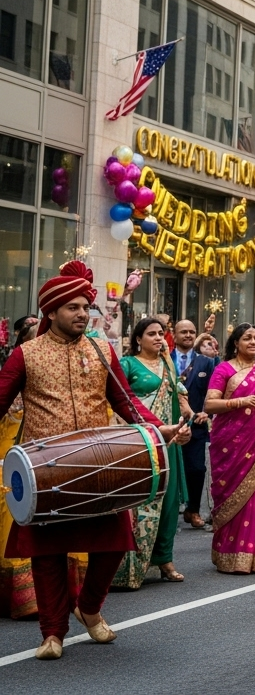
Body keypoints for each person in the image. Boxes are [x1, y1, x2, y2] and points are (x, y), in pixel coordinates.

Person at [0, 261, 188, 659]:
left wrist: (160, 429)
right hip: (45, 471)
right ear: (51, 312)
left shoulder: (103, 351)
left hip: (104, 464)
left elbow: (125, 400)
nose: (83, 313)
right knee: (46, 554)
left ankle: (90, 608)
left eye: (86, 306)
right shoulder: (26, 354)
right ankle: (52, 634)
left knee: (115, 542)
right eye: (73, 307)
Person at [113, 317, 192, 588]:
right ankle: (129, 565)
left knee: (168, 504)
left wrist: (186, 425)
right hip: (140, 445)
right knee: (139, 504)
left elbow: (181, 402)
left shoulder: (168, 367)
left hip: (167, 444)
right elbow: (117, 400)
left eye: (161, 333)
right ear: (138, 339)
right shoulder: (128, 364)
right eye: (151, 334)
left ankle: (164, 559)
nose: (159, 338)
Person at [205, 324, 255, 574]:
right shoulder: (224, 369)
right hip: (230, 443)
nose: (253, 342)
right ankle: (231, 553)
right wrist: (240, 401)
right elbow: (209, 405)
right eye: (247, 338)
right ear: (235, 342)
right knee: (233, 495)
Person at [1, 316, 43, 620]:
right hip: (9, 455)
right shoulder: (11, 373)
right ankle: (18, 596)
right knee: (11, 511)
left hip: (43, 457)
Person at [172, 319, 214, 530]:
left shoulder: (205, 362)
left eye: (192, 332)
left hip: (196, 425)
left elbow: (212, 392)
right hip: (168, 426)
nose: (188, 335)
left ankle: (194, 510)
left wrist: (207, 412)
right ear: (174, 335)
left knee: (197, 469)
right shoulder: (164, 359)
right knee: (168, 471)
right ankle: (169, 513)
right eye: (184, 332)